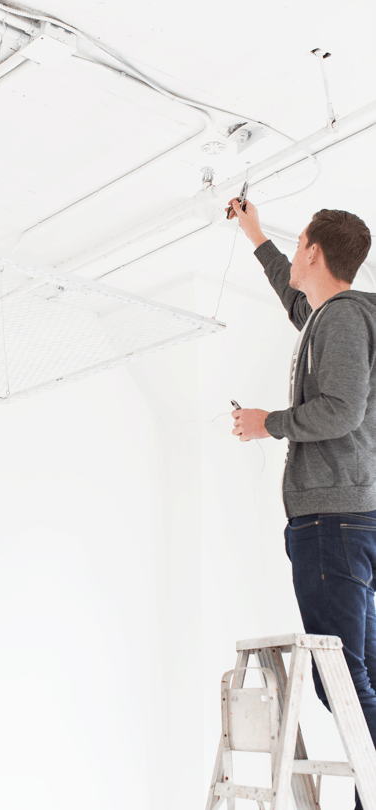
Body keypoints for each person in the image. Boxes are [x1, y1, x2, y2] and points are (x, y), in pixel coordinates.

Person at [226, 196, 374, 810]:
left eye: (294, 244)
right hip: (349, 513)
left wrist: (269, 423)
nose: (291, 253)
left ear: (313, 251)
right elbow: (297, 306)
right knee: (358, 671)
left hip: (331, 517)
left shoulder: (340, 318)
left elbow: (342, 410)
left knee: (338, 676)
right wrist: (255, 233)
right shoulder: (337, 316)